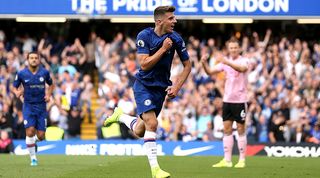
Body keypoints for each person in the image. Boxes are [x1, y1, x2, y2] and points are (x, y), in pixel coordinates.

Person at [103, 5, 191, 178]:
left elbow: (187, 65)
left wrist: (177, 86)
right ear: (159, 21)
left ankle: (120, 116)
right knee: (152, 124)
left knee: (141, 130)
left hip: (161, 89)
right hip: (143, 85)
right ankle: (155, 170)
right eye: (171, 18)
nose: (175, 20)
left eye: (174, 17)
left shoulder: (176, 38)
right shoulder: (144, 36)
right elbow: (143, 64)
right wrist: (164, 49)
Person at [201, 38, 249, 168]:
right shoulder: (224, 63)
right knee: (227, 129)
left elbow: (242, 69)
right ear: (228, 49)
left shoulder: (244, 60)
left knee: (240, 129)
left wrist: (226, 61)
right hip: (227, 100)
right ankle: (227, 161)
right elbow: (210, 72)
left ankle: (242, 160)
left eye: (235, 48)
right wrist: (204, 63)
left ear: (239, 49)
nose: (233, 50)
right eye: (231, 48)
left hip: (240, 100)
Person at [12, 51, 54, 166]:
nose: (34, 59)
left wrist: (49, 94)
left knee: (41, 136)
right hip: (28, 106)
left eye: (36, 58)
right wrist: (17, 92)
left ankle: (33, 141)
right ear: (27, 60)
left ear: (39, 60)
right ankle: (33, 159)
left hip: (41, 107)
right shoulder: (21, 73)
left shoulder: (44, 72)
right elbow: (14, 86)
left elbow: (51, 84)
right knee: (29, 131)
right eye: (31, 58)